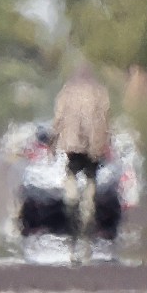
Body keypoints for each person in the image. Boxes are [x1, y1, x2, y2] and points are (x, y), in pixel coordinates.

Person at [51, 65, 111, 265]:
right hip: (93, 146)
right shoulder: (100, 92)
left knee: (71, 176)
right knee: (91, 179)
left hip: (72, 144)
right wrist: (105, 143)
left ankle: (72, 202)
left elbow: (58, 117)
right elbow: (106, 118)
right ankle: (87, 210)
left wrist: (53, 140)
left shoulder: (67, 91)